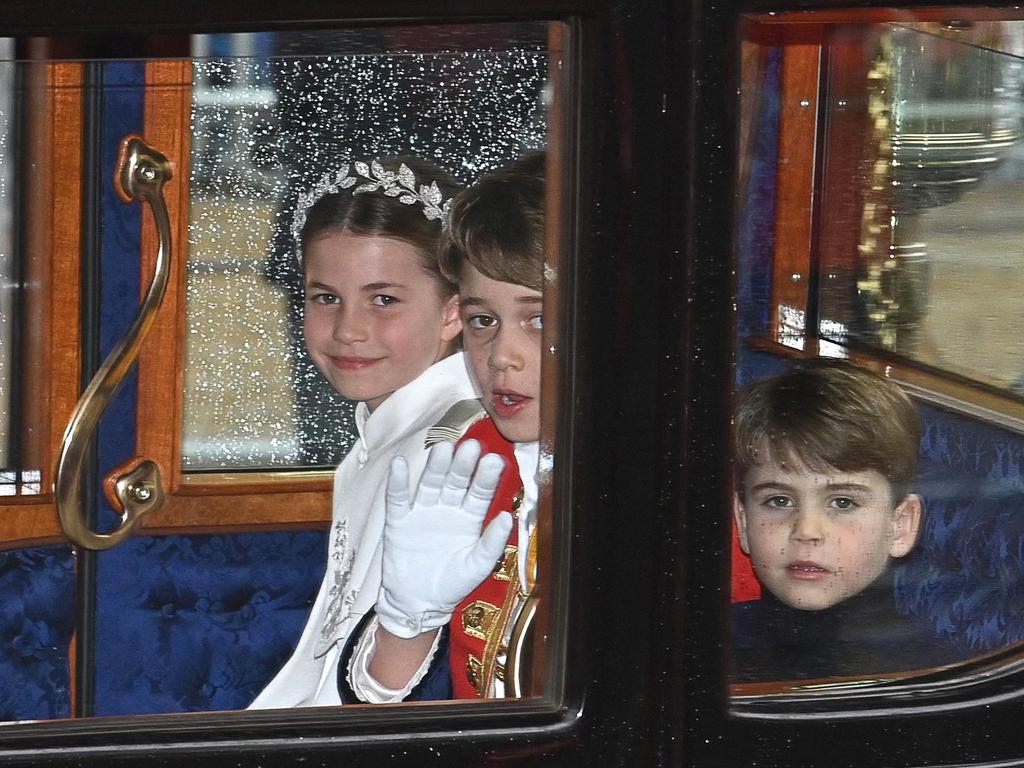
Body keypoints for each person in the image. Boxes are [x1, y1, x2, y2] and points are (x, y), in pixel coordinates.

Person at [249, 157, 478, 708]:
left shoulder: (448, 447)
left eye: (384, 300)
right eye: (325, 297)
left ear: (452, 312)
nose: (349, 329)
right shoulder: (388, 431)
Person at [340, 151, 546, 702]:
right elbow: (374, 709)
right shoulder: (467, 458)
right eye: (483, 321)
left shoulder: (699, 482)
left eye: (540, 318)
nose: (503, 355)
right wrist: (409, 619)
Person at [730, 360, 959, 682]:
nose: (806, 531)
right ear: (742, 521)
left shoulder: (934, 677)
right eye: (779, 501)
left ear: (901, 525)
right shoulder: (692, 645)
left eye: (843, 502)